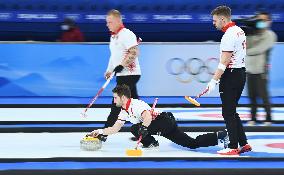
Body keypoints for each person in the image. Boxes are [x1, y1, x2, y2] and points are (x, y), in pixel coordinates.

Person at [87, 84, 229, 150]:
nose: (114, 101)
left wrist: (143, 128)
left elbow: (147, 116)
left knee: (135, 128)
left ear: (123, 97)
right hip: (164, 125)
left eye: (115, 98)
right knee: (192, 144)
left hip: (163, 122)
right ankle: (220, 136)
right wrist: (100, 131)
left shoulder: (135, 104)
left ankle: (151, 143)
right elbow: (115, 128)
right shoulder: (124, 110)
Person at [205, 5, 252, 155]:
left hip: (231, 75)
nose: (214, 23)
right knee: (232, 111)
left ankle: (233, 146)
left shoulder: (229, 35)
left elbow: (224, 62)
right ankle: (244, 143)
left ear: (223, 19)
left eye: (215, 20)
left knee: (227, 113)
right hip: (240, 74)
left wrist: (213, 81)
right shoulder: (239, 30)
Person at [103, 10, 141, 138]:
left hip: (130, 74)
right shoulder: (113, 37)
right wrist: (110, 69)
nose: (108, 25)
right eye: (107, 22)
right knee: (135, 103)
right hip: (121, 74)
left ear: (119, 21)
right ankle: (144, 133)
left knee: (117, 104)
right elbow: (114, 57)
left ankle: (103, 134)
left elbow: (134, 52)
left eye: (110, 22)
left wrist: (122, 65)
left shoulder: (127, 34)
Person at [246, 12, 277, 126]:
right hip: (249, 69)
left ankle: (268, 118)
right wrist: (249, 33)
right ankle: (253, 118)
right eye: (259, 20)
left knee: (264, 96)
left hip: (262, 70)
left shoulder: (270, 35)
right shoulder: (253, 33)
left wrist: (247, 51)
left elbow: (258, 49)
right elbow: (245, 46)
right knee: (251, 96)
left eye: (264, 20)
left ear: (269, 22)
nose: (261, 22)